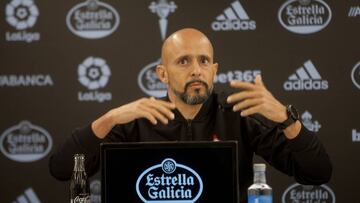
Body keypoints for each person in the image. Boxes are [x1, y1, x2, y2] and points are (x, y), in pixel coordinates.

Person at [49, 28, 332, 202]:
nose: (196, 70)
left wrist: (286, 118)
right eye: (183, 61)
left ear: (214, 70)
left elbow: (318, 172)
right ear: (162, 73)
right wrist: (108, 119)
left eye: (204, 61)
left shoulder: (238, 115)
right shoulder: (136, 120)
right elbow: (62, 170)